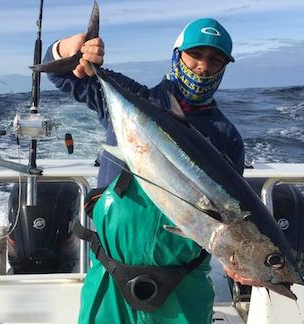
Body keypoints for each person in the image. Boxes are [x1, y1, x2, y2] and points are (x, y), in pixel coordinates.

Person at [44, 18, 245, 323]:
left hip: (182, 286)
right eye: (196, 55)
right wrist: (67, 48)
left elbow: (231, 215)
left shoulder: (226, 136)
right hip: (110, 275)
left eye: (215, 60)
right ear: (177, 54)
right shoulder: (133, 98)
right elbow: (61, 75)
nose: (203, 67)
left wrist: (238, 260)